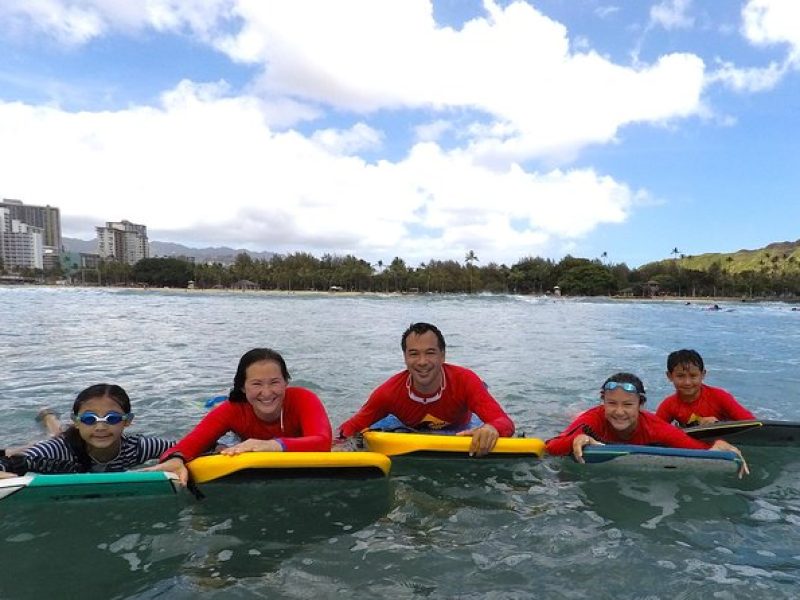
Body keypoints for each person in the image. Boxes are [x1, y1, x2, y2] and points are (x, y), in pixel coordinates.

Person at [151, 348, 332, 485]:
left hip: (285, 451)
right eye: (256, 384)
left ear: (286, 382)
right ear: (243, 388)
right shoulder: (232, 409)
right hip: (240, 442)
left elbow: (323, 442)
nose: (267, 392)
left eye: (275, 382)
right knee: (217, 447)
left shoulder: (304, 398)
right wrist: (175, 460)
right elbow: (187, 446)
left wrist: (268, 445)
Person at [337, 322, 514, 457]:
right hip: (404, 425)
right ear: (405, 357)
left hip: (463, 424)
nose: (422, 362)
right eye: (414, 354)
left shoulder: (465, 381)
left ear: (443, 355)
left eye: (430, 353)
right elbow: (349, 428)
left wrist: (492, 429)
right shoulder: (388, 393)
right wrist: (338, 447)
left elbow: (504, 422)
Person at [545, 372, 748, 477]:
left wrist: (719, 447)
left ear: (641, 405)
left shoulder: (655, 426)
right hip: (587, 420)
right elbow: (551, 447)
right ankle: (570, 412)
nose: (619, 411)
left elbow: (696, 449)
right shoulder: (595, 418)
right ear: (603, 402)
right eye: (611, 403)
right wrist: (579, 438)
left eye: (628, 404)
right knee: (572, 417)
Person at [0, 384, 174, 478]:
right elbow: (9, 464)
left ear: (127, 421)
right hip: (66, 443)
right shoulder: (54, 452)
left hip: (75, 438)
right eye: (89, 419)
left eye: (112, 419)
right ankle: (48, 415)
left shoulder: (137, 448)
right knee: (54, 437)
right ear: (76, 421)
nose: (100, 427)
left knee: (59, 434)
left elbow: (183, 448)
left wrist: (176, 460)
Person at [656, 349, 755, 427]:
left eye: (693, 376)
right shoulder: (669, 405)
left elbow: (753, 424)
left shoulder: (720, 397)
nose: (687, 382)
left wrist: (719, 424)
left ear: (703, 374)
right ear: (669, 376)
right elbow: (654, 430)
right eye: (680, 376)